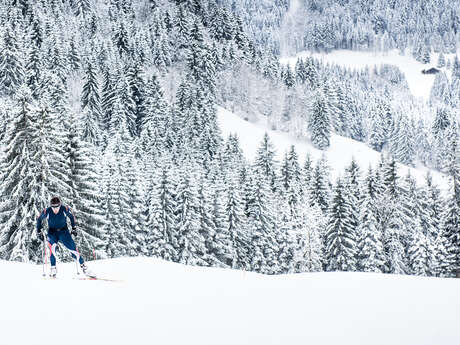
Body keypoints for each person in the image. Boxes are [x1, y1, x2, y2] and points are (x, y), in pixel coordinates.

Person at [36, 196, 93, 278]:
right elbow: (39, 220)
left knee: (73, 250)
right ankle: (53, 268)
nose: (55, 209)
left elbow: (72, 217)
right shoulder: (47, 211)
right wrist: (39, 231)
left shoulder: (64, 209)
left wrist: (74, 228)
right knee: (52, 250)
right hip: (52, 232)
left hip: (64, 232)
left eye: (57, 207)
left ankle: (84, 267)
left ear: (60, 205)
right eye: (53, 207)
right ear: (51, 206)